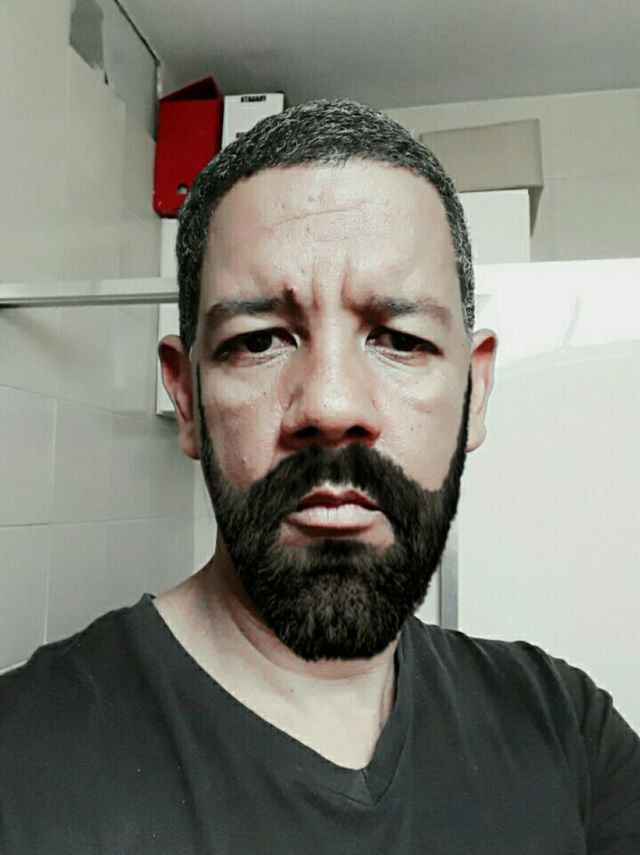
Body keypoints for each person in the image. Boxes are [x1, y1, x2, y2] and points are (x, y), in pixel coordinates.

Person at [1, 99, 638, 854]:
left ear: (475, 393)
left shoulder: (568, 732)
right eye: (258, 341)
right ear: (187, 399)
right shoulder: (20, 769)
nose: (332, 407)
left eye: (400, 339)